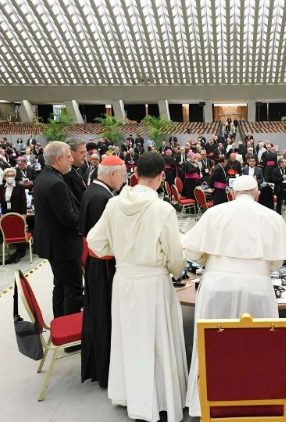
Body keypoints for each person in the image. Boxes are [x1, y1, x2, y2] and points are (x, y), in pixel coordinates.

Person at [86, 152, 187, 422]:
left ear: (135, 173)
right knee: (156, 342)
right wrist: (176, 270)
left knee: (130, 339)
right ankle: (160, 399)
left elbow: (95, 242)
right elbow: (175, 256)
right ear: (162, 176)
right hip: (152, 281)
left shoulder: (114, 203)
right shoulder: (162, 209)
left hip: (124, 279)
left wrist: (121, 254)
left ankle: (132, 396)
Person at [182, 175, 286, 417]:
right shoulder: (272, 216)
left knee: (211, 345)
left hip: (216, 285)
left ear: (232, 194)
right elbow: (277, 261)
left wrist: (211, 260)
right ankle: (255, 401)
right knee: (259, 346)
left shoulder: (214, 213)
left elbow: (192, 249)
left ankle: (205, 402)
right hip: (258, 286)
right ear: (257, 194)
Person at [79, 156, 127, 388]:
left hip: (95, 264)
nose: (125, 178)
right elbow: (108, 237)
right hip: (103, 265)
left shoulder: (93, 191)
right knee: (104, 316)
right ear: (111, 174)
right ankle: (106, 370)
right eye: (123, 173)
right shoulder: (103, 198)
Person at [33, 141, 83, 318]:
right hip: (63, 245)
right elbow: (68, 218)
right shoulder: (56, 183)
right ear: (59, 159)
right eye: (69, 157)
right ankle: (71, 334)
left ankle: (60, 319)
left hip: (54, 243)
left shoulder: (45, 177)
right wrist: (88, 220)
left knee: (61, 285)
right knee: (74, 289)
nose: (72, 160)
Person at [0, 167, 29, 265]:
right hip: (6, 213)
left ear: (14, 176)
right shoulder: (1, 187)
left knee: (18, 231)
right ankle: (16, 251)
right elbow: (2, 202)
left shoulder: (20, 187)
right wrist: (2, 214)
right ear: (4, 176)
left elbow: (23, 201)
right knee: (7, 231)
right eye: (7, 175)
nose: (9, 177)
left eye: (11, 175)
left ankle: (20, 251)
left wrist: (24, 214)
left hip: (18, 212)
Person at [64, 138, 89, 204]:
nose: (85, 155)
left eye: (85, 152)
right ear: (70, 152)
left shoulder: (78, 169)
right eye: (82, 152)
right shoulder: (66, 173)